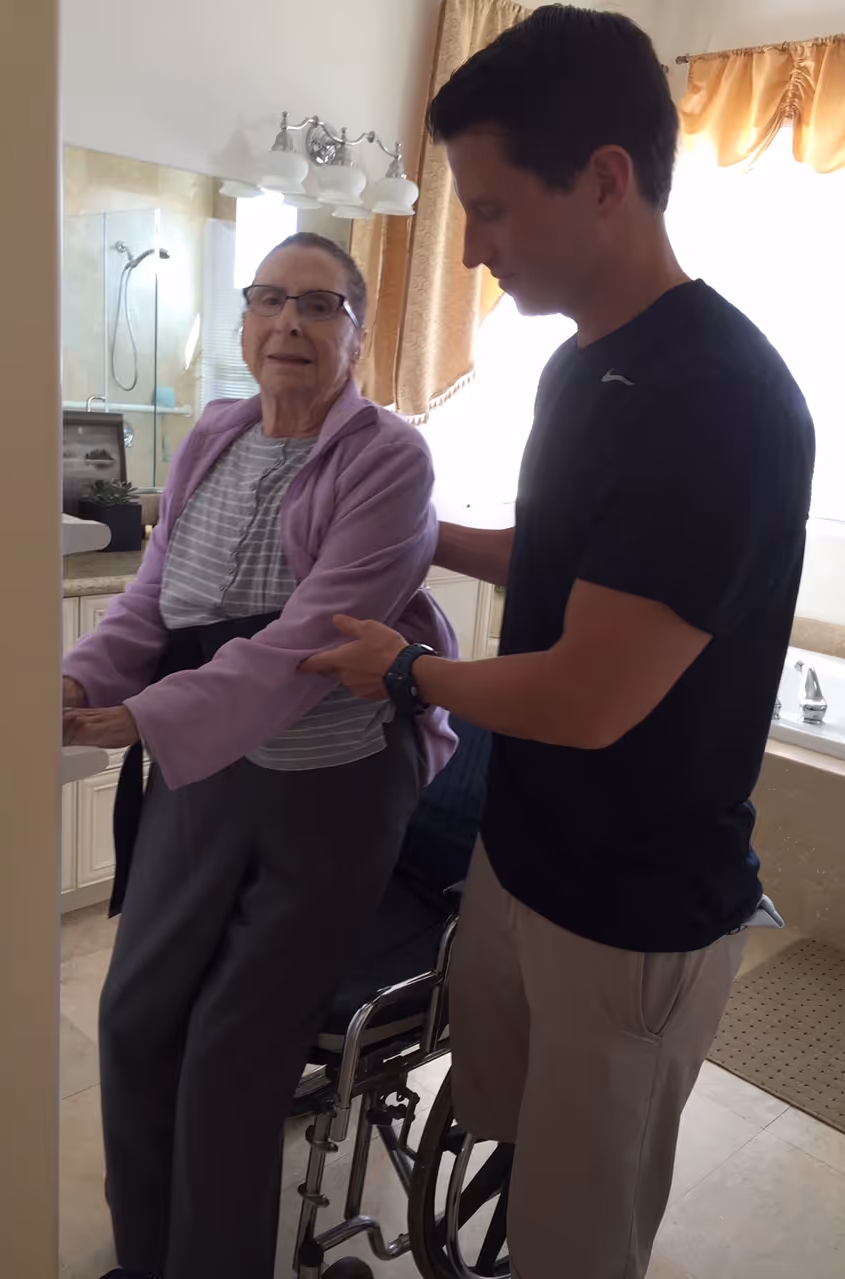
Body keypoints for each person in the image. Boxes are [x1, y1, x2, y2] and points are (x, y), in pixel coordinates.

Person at [303, 9, 815, 1278]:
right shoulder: (585, 369)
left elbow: (591, 693)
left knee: (580, 1243)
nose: (470, 251)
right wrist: (418, 534)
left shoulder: (723, 401)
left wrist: (403, 668)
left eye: (489, 209)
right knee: (502, 1138)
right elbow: (576, 563)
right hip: (521, 867)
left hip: (630, 917)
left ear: (604, 178)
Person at [62, 230, 457, 1279]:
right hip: (210, 765)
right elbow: (152, 602)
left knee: (231, 1058)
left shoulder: (389, 457)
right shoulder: (213, 438)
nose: (291, 323)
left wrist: (147, 717)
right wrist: (85, 679)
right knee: (135, 1019)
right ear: (243, 322)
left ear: (359, 337)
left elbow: (310, 642)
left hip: (333, 780)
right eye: (271, 299)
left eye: (321, 306)